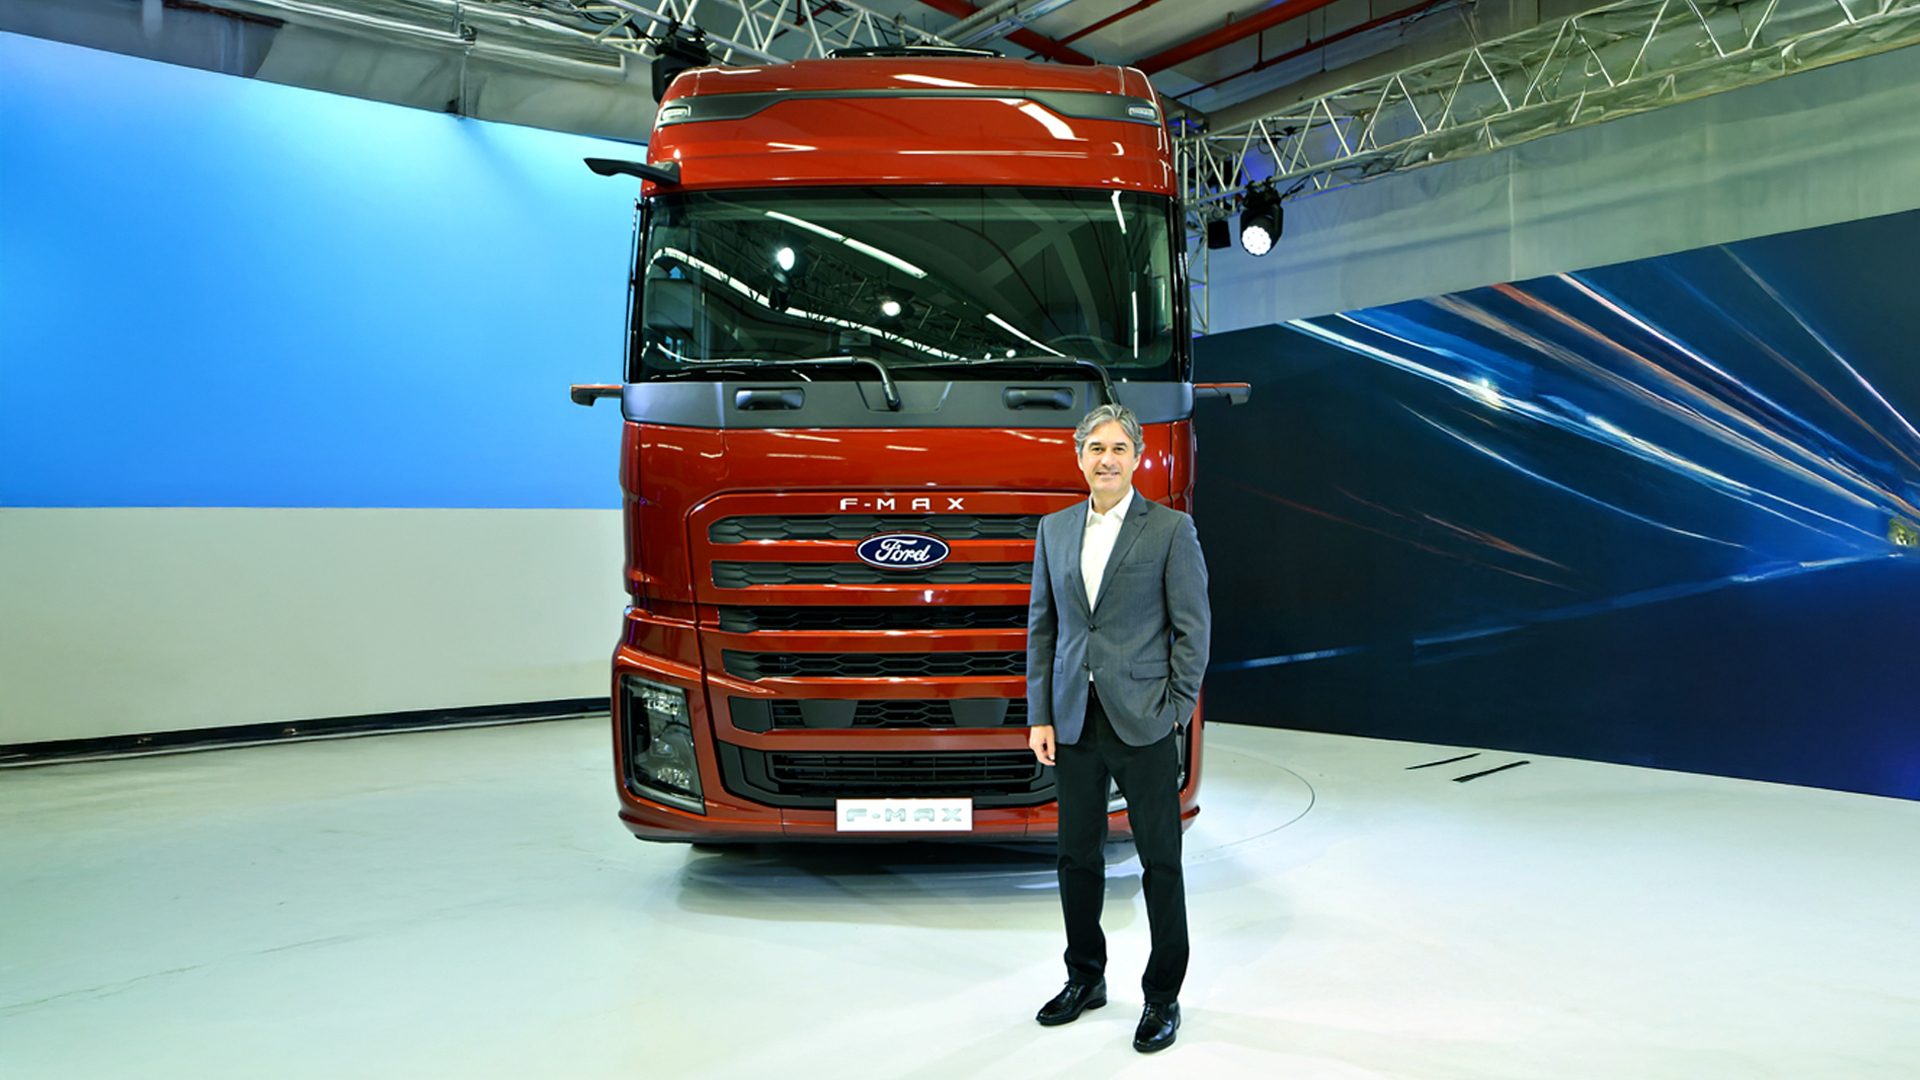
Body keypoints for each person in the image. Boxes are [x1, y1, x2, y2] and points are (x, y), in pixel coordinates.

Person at [1025, 402, 1211, 1054]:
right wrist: (1040, 713)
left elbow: (1194, 632)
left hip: (1144, 721)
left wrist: (1174, 707)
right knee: (1075, 857)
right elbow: (1043, 630)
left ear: (1138, 458)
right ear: (1078, 457)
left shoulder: (1168, 530)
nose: (1106, 459)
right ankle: (1086, 978)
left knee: (1161, 861)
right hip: (1074, 719)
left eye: (1118, 449)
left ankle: (1163, 996)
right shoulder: (1052, 531)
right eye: (1094, 448)